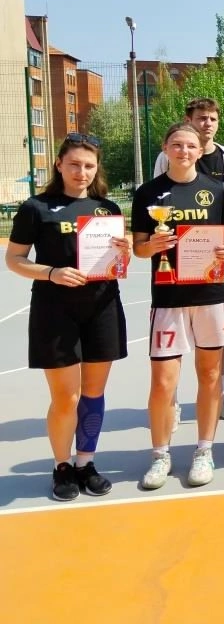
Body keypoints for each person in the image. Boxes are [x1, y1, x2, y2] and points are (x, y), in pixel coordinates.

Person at [6, 133, 129, 501]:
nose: (81, 172)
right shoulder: (36, 207)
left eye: (89, 166)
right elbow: (14, 260)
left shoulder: (107, 208)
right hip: (54, 310)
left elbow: (117, 263)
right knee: (66, 397)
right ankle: (62, 466)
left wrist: (123, 254)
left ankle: (85, 462)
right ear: (59, 164)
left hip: (102, 307)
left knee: (93, 393)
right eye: (74, 164)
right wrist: (52, 273)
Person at [132, 123, 224, 489]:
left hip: (211, 295)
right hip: (169, 297)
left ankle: (204, 450)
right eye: (177, 145)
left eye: (190, 146)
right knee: (163, 382)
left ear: (199, 150)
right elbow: (139, 248)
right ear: (165, 148)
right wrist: (153, 247)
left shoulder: (216, 190)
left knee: (210, 376)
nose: (184, 151)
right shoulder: (148, 193)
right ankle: (160, 455)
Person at [153, 97, 224, 424]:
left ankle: (217, 394)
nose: (207, 124)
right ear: (188, 120)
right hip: (176, 261)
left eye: (212, 119)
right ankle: (173, 401)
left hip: (215, 259)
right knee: (175, 336)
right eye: (201, 118)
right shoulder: (168, 157)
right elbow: (157, 207)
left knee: (217, 335)